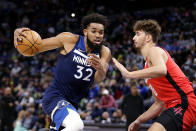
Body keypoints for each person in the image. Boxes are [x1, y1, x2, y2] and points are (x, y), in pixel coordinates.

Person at [14, 13, 111, 131]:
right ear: (85, 32)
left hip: (73, 104)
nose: (98, 35)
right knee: (76, 125)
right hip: (55, 96)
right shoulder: (69, 40)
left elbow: (98, 78)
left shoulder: (105, 52)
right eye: (94, 31)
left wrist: (100, 68)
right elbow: (37, 47)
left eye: (101, 32)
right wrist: (20, 37)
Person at [112, 19, 196, 131]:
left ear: (148, 38)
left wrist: (129, 74)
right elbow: (158, 104)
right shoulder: (148, 68)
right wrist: (139, 120)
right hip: (176, 107)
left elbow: (162, 70)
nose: (133, 38)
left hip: (184, 104)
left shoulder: (154, 50)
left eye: (137, 34)